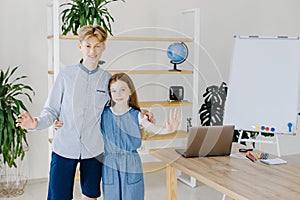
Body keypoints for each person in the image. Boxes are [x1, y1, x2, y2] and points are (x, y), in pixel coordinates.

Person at [16, 25, 111, 200]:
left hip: (94, 149)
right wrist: (35, 123)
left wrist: (140, 116)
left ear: (103, 47)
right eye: (88, 46)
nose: (93, 51)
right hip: (64, 148)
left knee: (91, 196)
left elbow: (113, 112)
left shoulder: (107, 80)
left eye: (97, 46)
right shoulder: (66, 75)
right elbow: (51, 110)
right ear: (80, 46)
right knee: (58, 196)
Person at [101, 73, 181, 200]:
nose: (118, 94)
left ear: (130, 91)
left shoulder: (137, 115)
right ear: (109, 93)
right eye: (114, 91)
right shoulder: (103, 114)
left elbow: (152, 128)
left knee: (133, 195)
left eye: (123, 90)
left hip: (131, 163)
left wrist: (168, 129)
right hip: (110, 164)